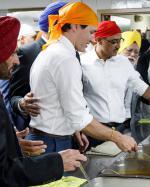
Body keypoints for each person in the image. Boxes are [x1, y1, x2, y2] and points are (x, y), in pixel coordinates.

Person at [28, 2, 139, 153]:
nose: (93, 38)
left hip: (49, 138)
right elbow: (79, 116)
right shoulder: (65, 58)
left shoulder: (53, 51)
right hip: (52, 143)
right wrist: (119, 137)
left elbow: (60, 105)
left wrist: (75, 129)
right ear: (74, 26)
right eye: (91, 31)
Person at [0, 15, 87, 187]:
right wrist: (57, 162)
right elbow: (3, 173)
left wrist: (12, 142)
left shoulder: (70, 55)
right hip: (44, 140)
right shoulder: (43, 54)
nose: (17, 60)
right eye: (11, 53)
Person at [81, 21, 150, 147]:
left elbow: (140, 86)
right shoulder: (82, 63)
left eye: (120, 40)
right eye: (113, 42)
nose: (118, 45)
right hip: (94, 132)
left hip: (119, 129)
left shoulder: (123, 63)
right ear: (99, 40)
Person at [9, 1, 68, 131]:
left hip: (70, 130)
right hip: (39, 134)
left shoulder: (73, 53)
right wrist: (22, 104)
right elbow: (13, 97)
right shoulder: (27, 53)